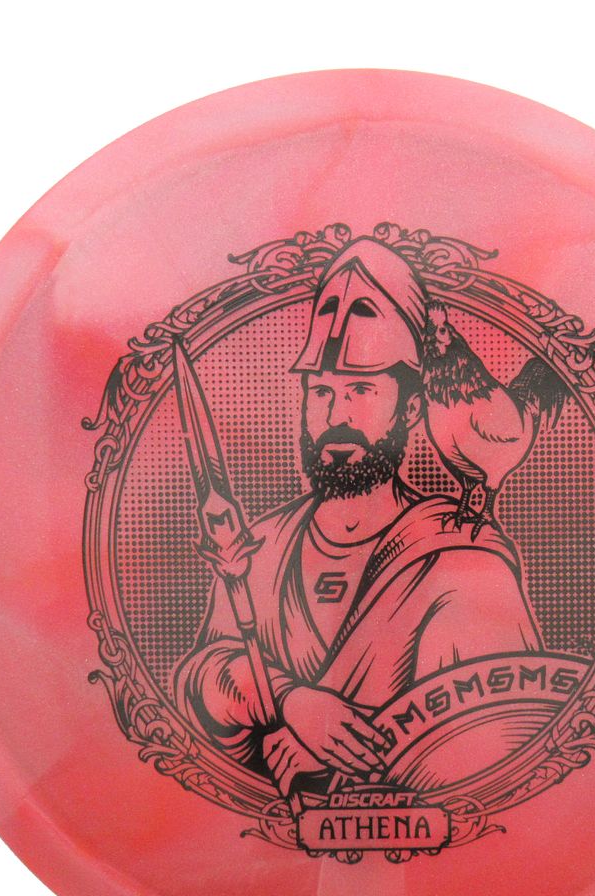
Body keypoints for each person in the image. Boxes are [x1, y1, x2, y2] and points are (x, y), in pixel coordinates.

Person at [174, 237, 542, 794]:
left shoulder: (462, 560)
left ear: (411, 408)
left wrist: (331, 756)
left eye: (363, 390)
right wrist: (290, 700)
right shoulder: (261, 546)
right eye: (321, 392)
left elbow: (491, 747)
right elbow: (201, 680)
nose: (337, 415)